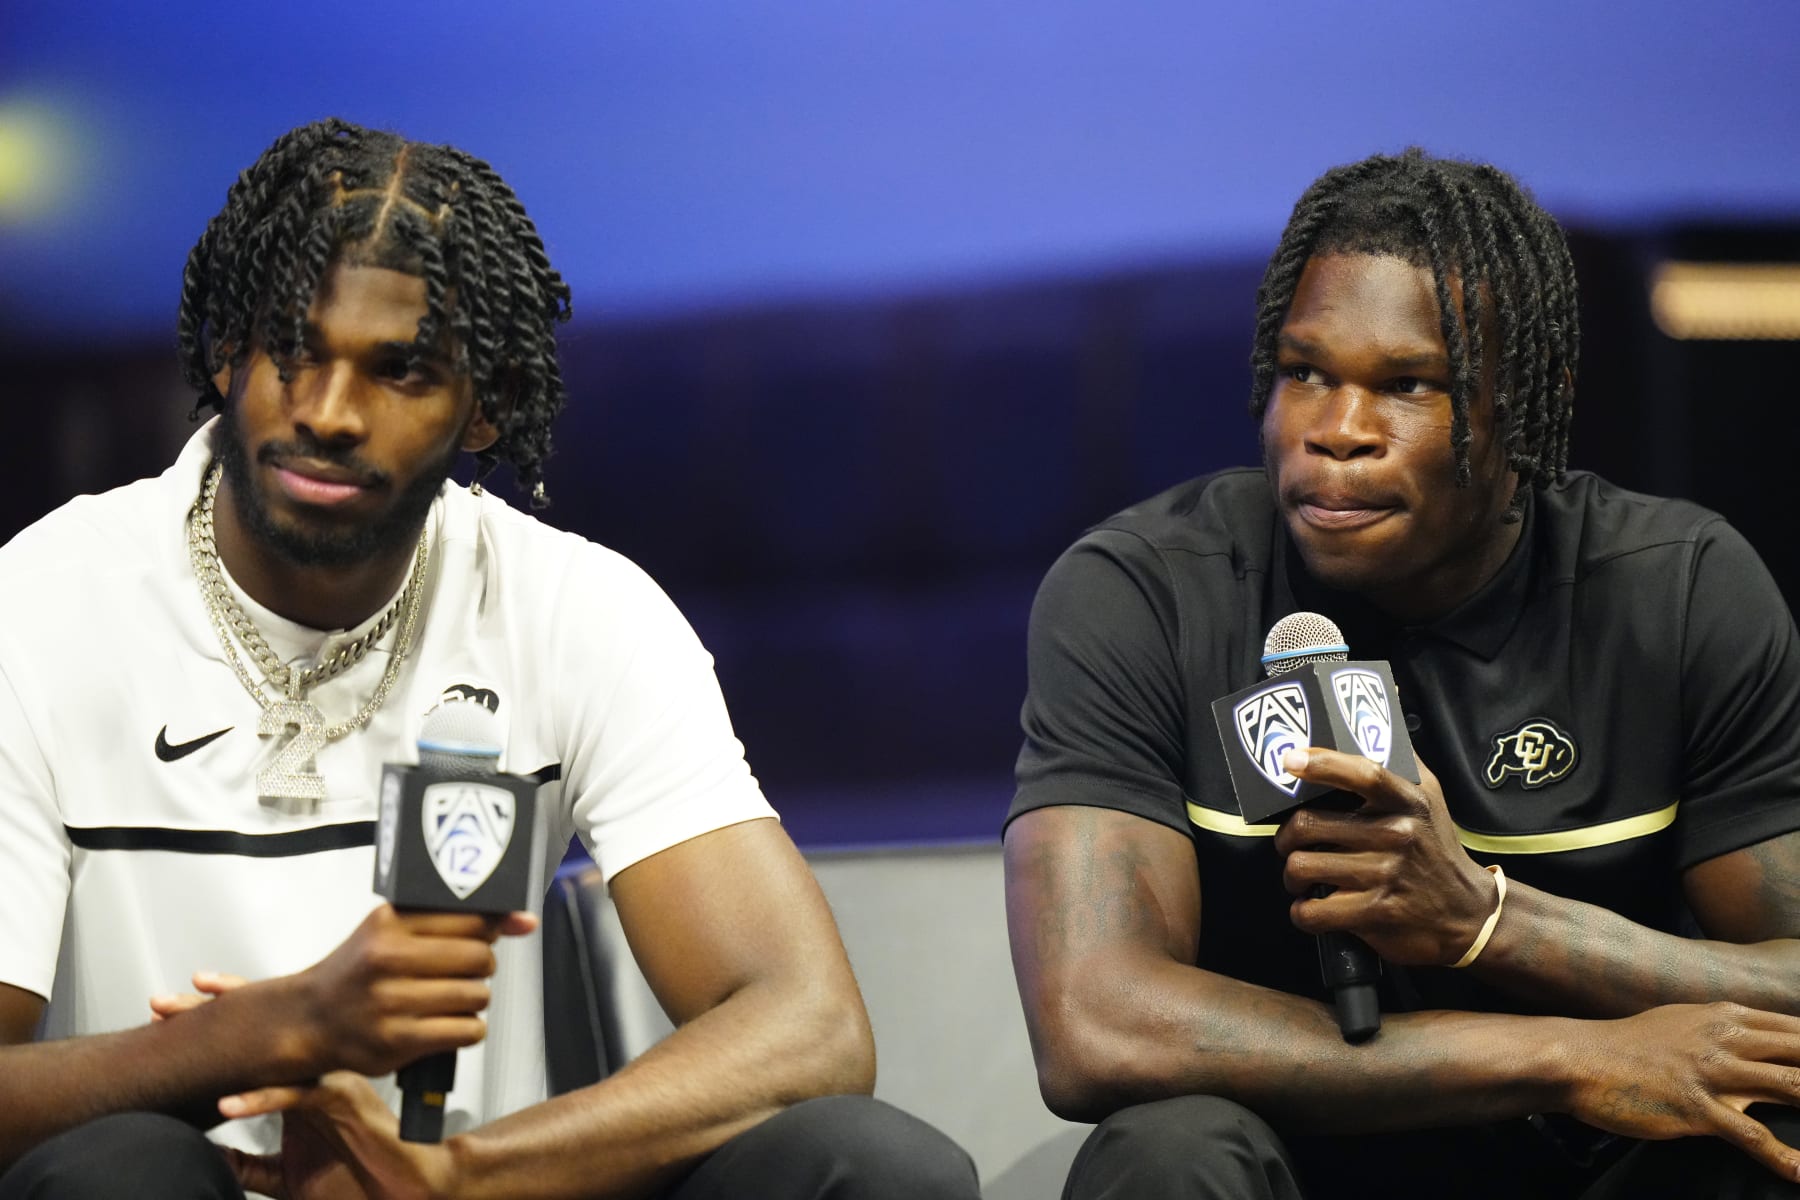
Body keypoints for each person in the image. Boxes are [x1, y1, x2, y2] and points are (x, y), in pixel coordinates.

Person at [0, 118, 979, 1200]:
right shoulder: (43, 605)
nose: (328, 412)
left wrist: (460, 1174)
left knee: (873, 1165)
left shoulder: (575, 608)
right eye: (293, 350)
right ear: (229, 352)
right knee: (117, 1173)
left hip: (482, 1193)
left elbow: (811, 1026)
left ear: (488, 409)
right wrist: (270, 1034)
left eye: (400, 372)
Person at [1003, 148, 1800, 1199]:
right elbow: (1094, 1028)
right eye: (1305, 374)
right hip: (1314, 1154)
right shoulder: (1145, 594)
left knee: (1755, 1126)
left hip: (1600, 1164)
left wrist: (1486, 921)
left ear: (1525, 401)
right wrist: (1566, 1059)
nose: (1336, 434)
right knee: (1168, 1150)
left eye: (1407, 385)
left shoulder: (1676, 589)